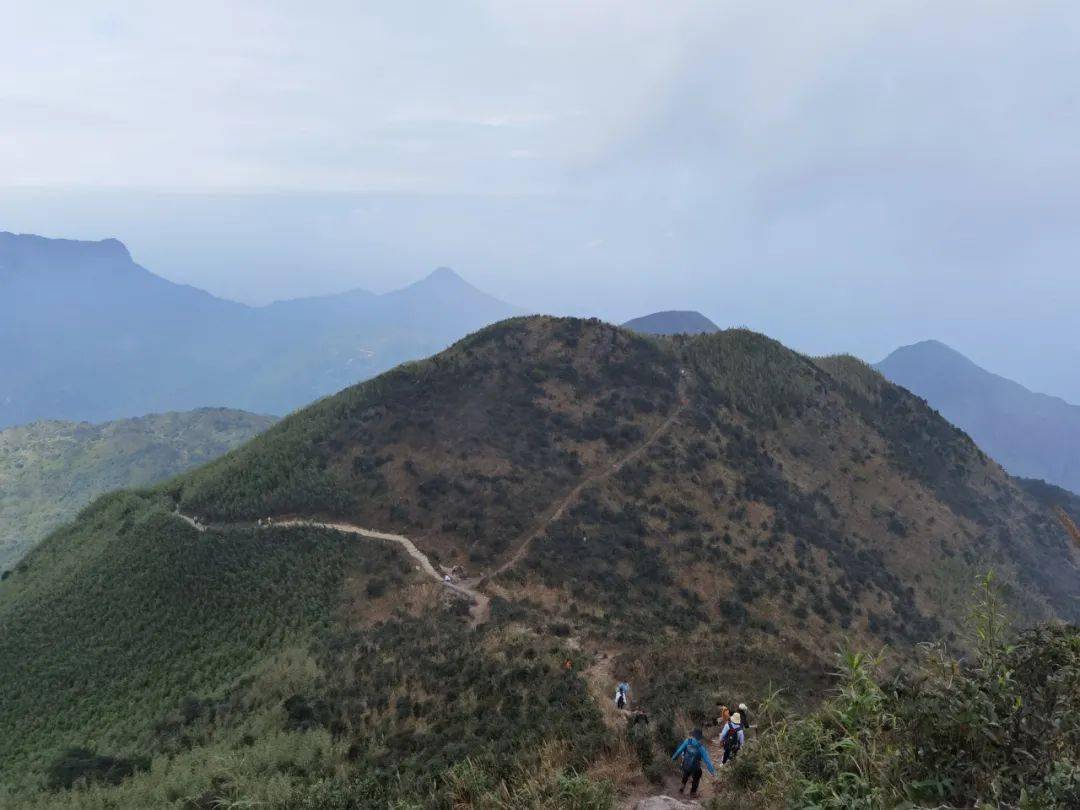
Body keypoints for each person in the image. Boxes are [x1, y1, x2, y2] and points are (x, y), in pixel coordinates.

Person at [671, 728, 716, 796]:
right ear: (700, 738)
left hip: (686, 765)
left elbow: (679, 751)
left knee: (686, 771)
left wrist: (673, 758)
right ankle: (693, 792)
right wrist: (712, 772)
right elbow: (707, 761)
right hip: (695, 767)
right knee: (698, 774)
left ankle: (682, 786)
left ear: (693, 735)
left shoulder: (687, 741)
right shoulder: (701, 747)